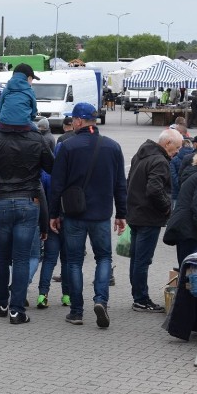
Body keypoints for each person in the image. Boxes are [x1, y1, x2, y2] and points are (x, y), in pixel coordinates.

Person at [49, 102, 127, 329]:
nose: (72, 124)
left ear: (79, 121)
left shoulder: (67, 146)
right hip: (102, 214)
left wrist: (53, 214)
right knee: (104, 258)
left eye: (73, 120)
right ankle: (101, 300)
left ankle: (76, 311)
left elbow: (57, 184)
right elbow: (120, 184)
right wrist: (121, 214)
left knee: (74, 261)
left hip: (73, 214)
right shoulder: (113, 147)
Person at [0, 110, 54, 325]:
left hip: (2, 201)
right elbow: (52, 167)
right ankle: (17, 310)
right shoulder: (37, 138)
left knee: (0, 255)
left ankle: (0, 303)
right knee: (22, 258)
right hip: (28, 201)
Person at [126, 129, 182, 313]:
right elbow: (154, 189)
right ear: (167, 144)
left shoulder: (140, 154)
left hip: (135, 212)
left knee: (136, 259)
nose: (178, 151)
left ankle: (138, 297)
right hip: (149, 217)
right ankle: (141, 299)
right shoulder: (159, 161)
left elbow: (130, 182)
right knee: (142, 260)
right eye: (177, 147)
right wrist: (167, 207)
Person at [0, 63, 38, 129]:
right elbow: (34, 111)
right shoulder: (30, 91)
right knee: (38, 134)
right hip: (24, 125)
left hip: (4, 124)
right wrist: (30, 119)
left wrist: (0, 120)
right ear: (29, 78)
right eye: (32, 80)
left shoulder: (6, 89)